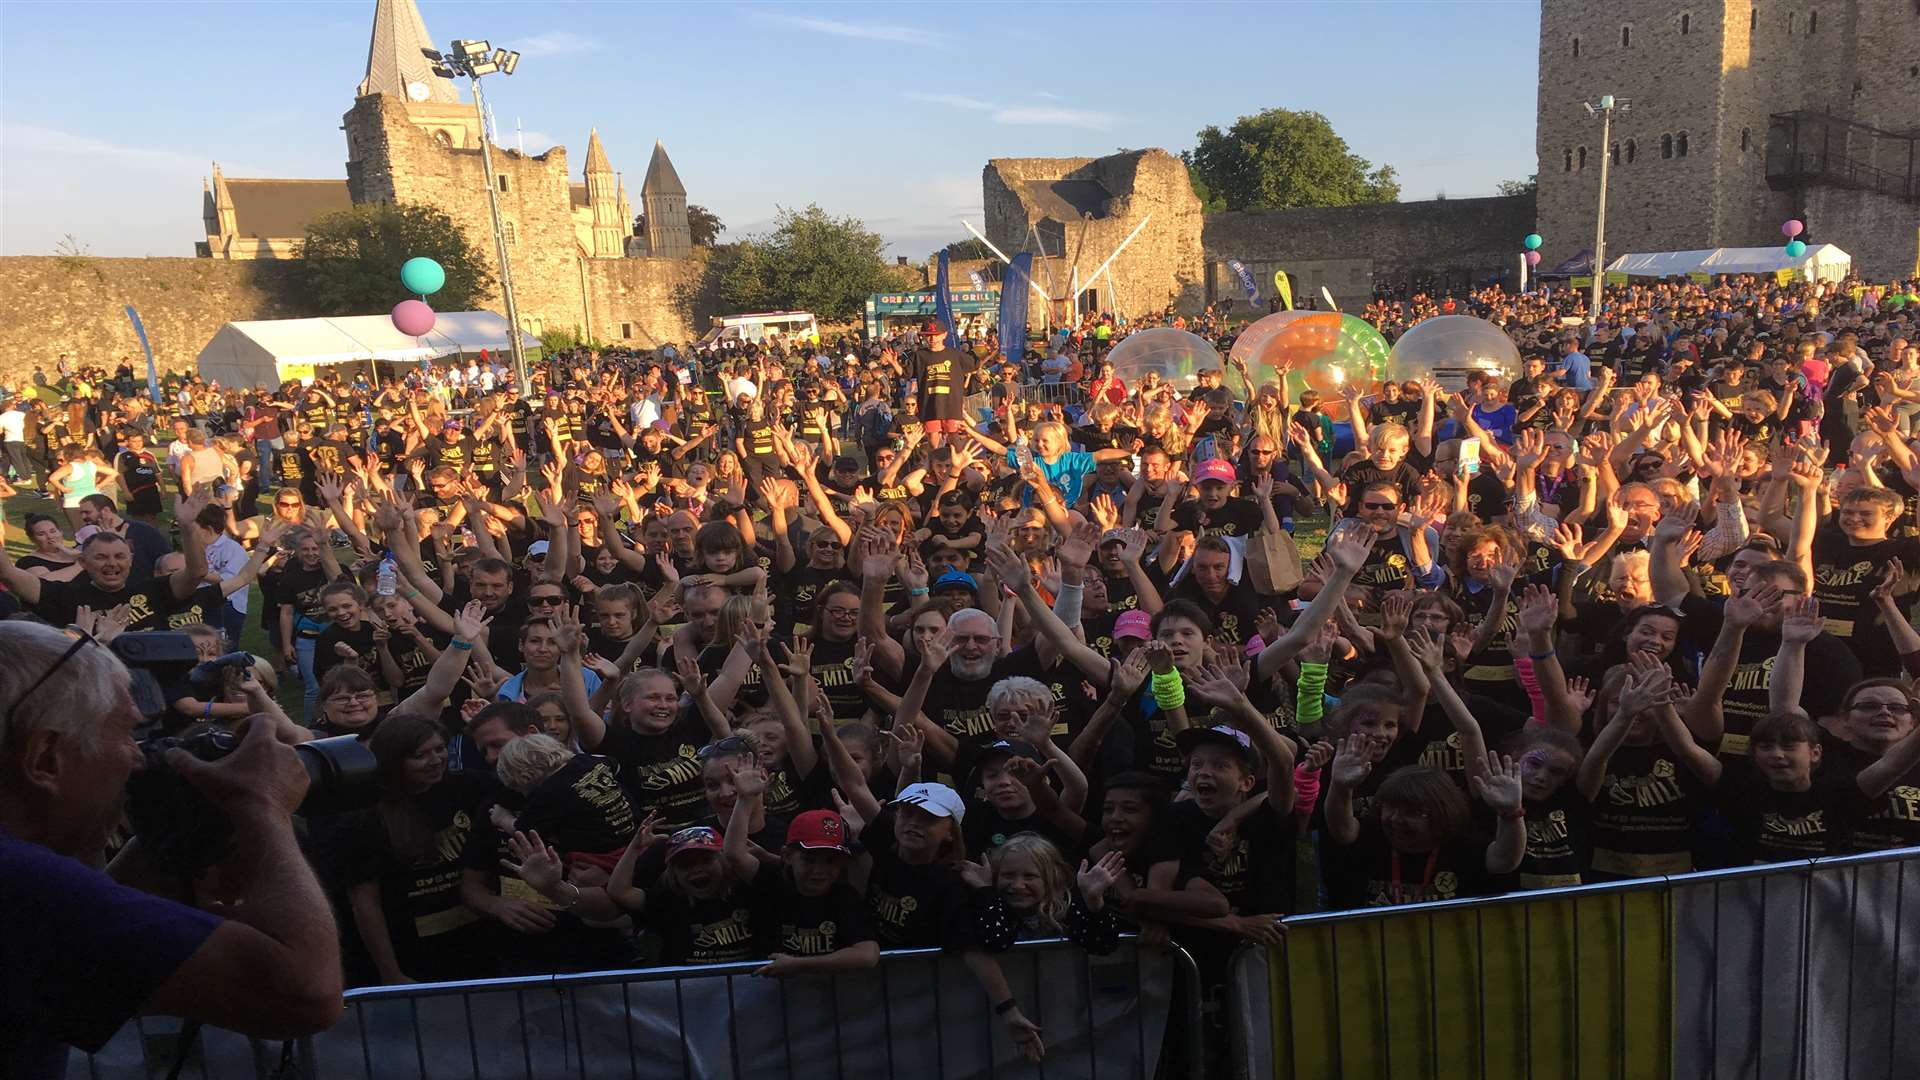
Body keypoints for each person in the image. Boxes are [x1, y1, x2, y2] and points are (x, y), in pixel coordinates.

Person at [0, 621, 341, 1075]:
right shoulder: (20, 887)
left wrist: (170, 831)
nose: (140, 757)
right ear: (45, 758)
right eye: (126, 734)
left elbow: (85, 937)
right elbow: (303, 995)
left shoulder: (33, 902)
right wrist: (263, 805)